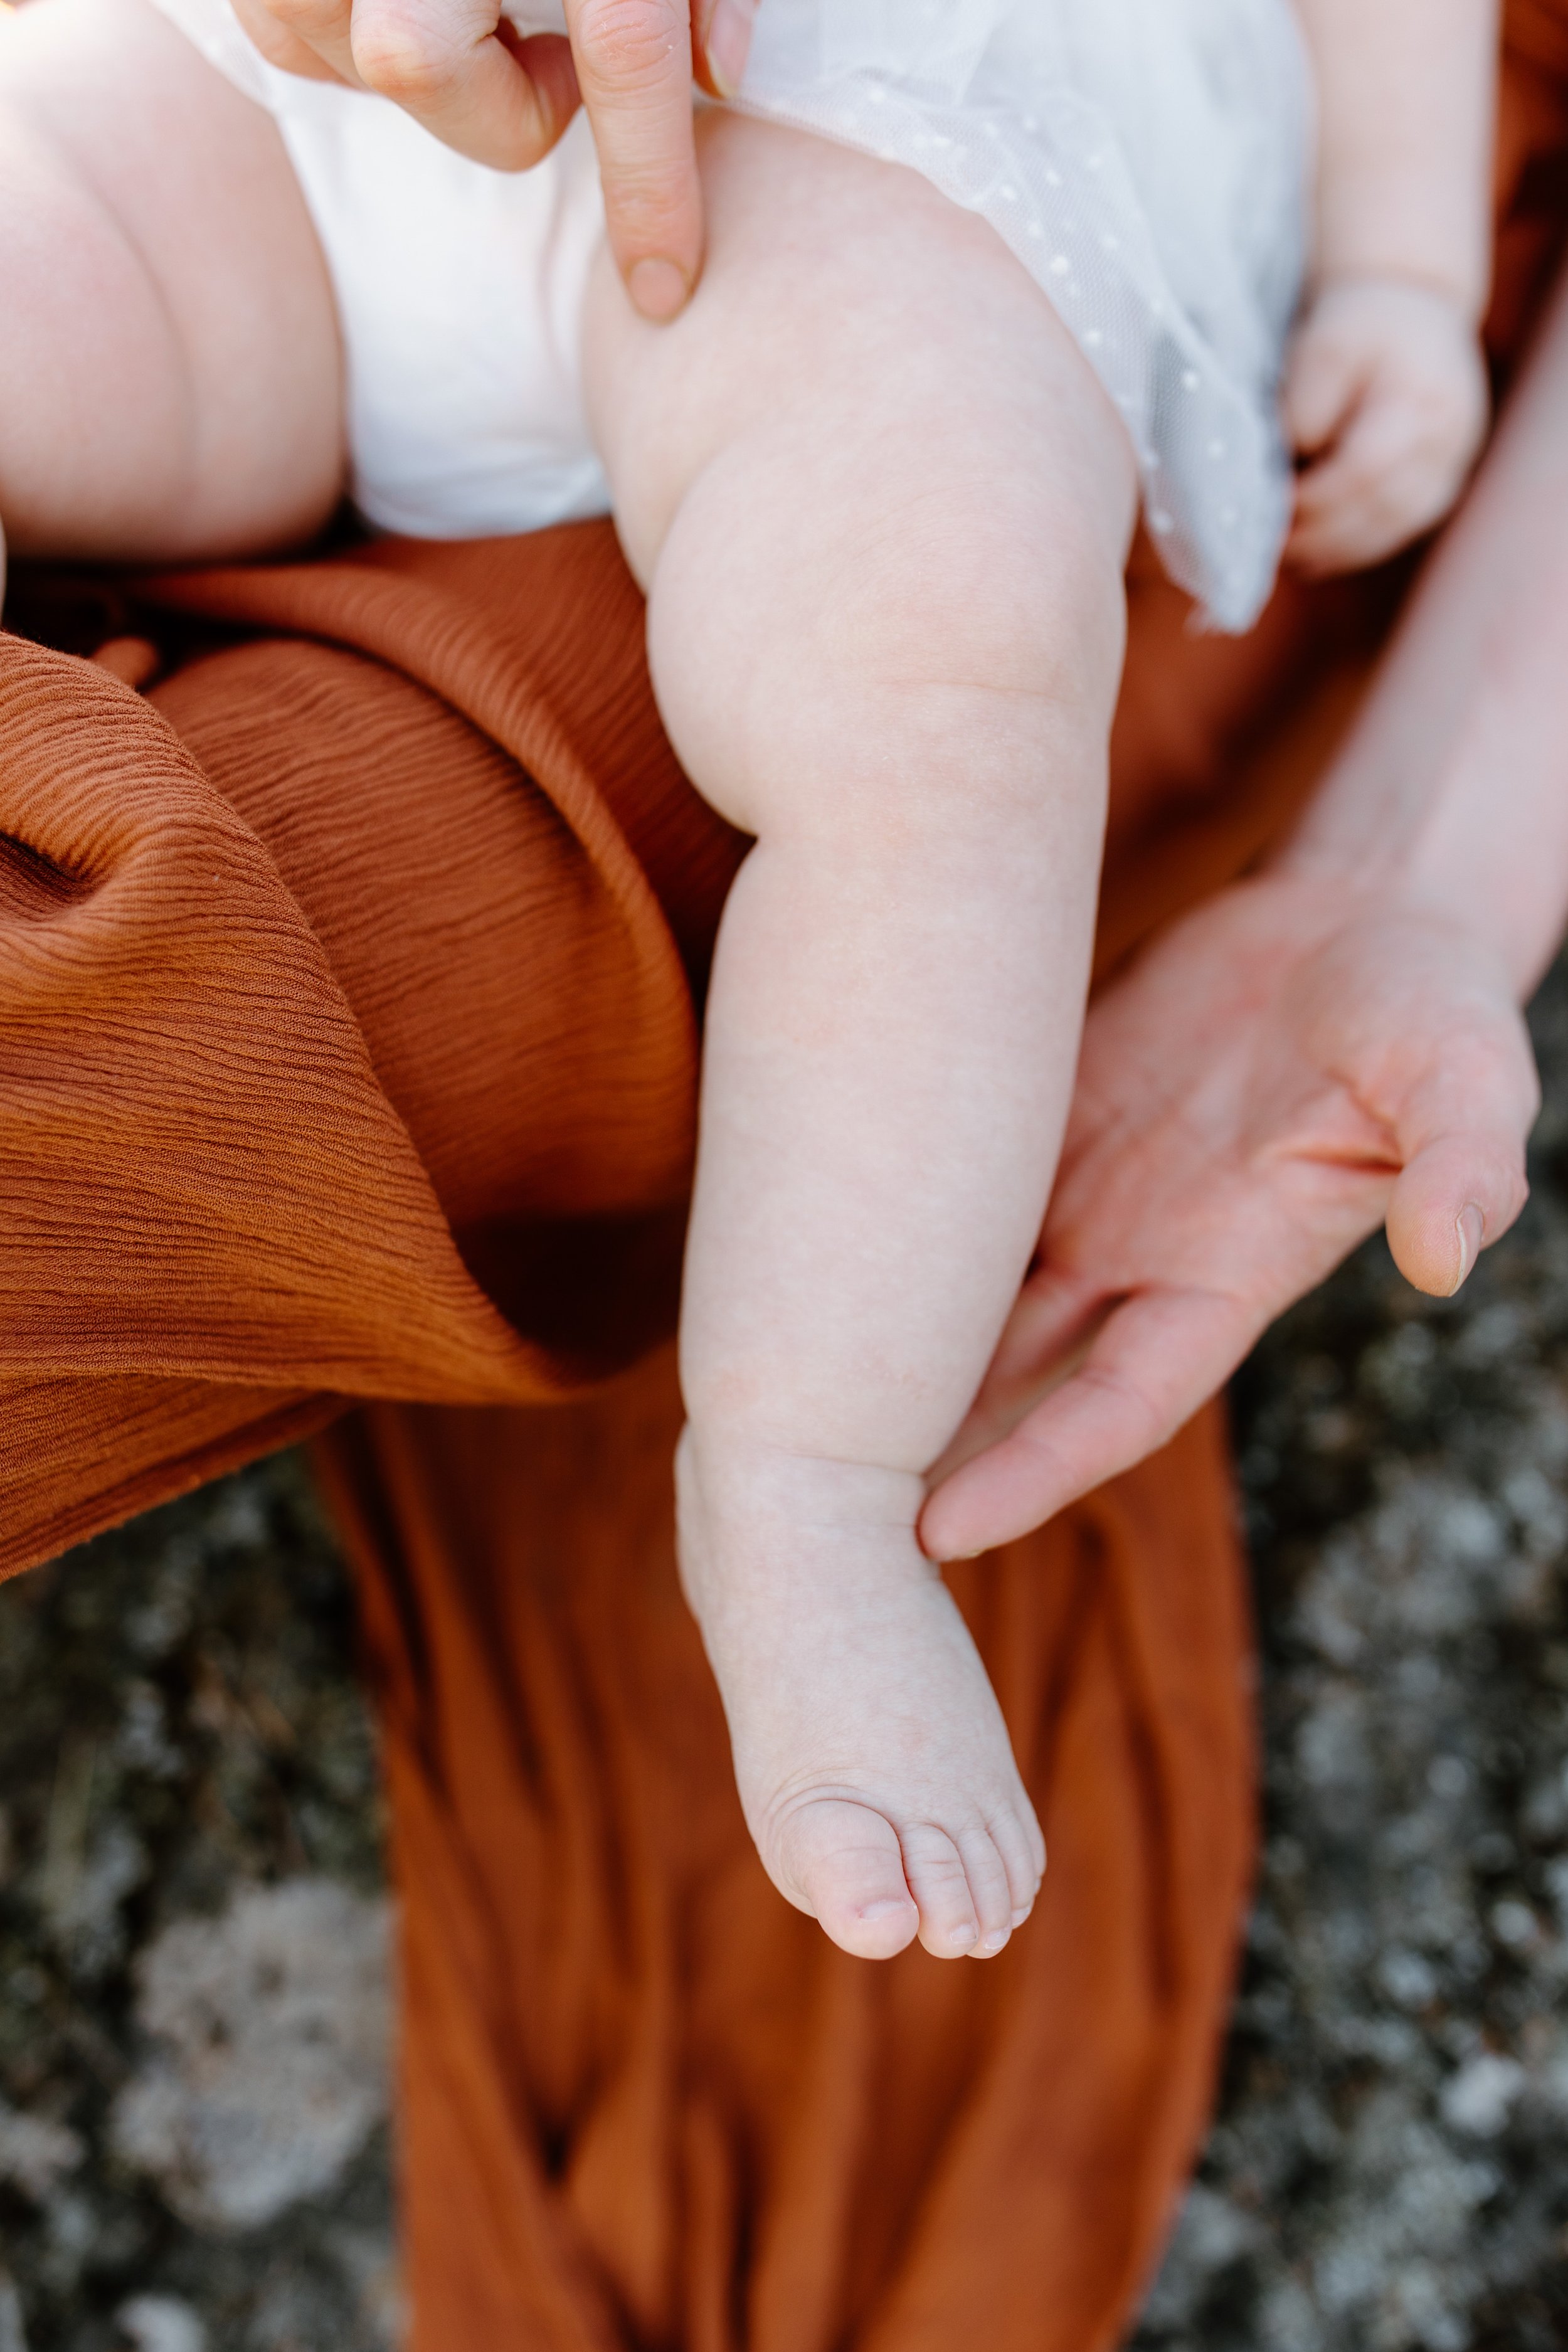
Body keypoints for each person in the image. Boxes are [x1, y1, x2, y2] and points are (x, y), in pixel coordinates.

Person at [0, 0, 1499, 1969]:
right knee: (56, 259)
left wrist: (1406, 264)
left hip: (911, 156)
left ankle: (806, 1480)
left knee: (932, 713)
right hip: (350, 94)